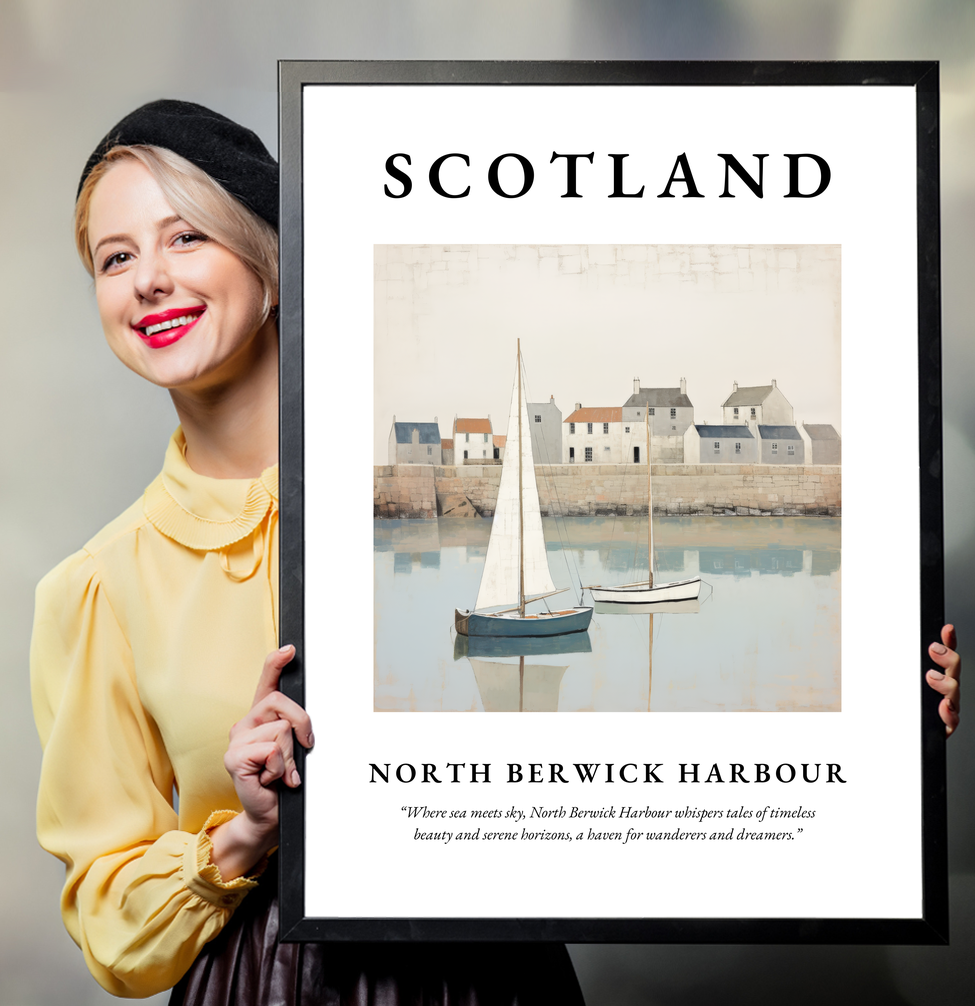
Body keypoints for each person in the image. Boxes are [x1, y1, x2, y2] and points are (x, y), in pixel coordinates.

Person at [30, 100, 585, 1004]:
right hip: (263, 982)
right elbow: (110, 923)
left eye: (186, 239)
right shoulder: (98, 587)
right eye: (116, 257)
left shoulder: (435, 496)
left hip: (491, 971)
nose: (148, 281)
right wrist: (244, 832)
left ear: (273, 264)